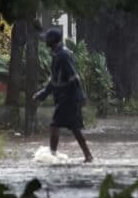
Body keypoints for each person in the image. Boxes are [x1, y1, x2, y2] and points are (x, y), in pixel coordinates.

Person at [32, 27, 93, 162]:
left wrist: (80, 96)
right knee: (73, 127)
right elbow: (54, 80)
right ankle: (87, 156)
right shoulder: (57, 54)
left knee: (56, 125)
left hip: (69, 98)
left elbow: (74, 77)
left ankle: (54, 155)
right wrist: (42, 94)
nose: (44, 41)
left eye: (47, 38)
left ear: (52, 41)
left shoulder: (63, 55)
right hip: (65, 98)